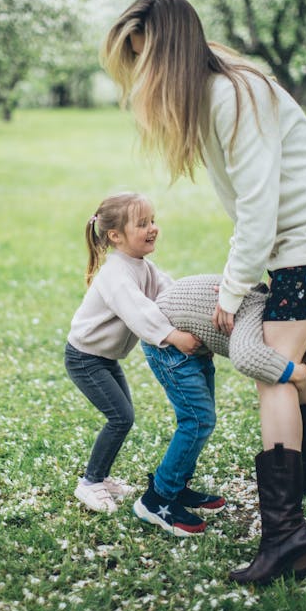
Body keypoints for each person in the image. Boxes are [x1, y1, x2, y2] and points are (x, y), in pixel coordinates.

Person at [101, 0, 306, 584]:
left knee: (269, 369)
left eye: (145, 59)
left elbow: (258, 208)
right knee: (283, 361)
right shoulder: (217, 85)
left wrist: (231, 289)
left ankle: (288, 537)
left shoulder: (231, 96)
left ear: (171, 52)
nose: (142, 74)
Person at [135, 276, 306, 535]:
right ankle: (157, 498)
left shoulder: (277, 313)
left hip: (195, 347)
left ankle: (176, 487)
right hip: (170, 343)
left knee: (202, 420)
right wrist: (295, 372)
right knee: (198, 421)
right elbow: (244, 357)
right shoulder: (257, 317)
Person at [65, 191, 214, 532]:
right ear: (115, 235)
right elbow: (140, 313)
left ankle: (101, 477)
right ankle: (90, 482)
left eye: (153, 220)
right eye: (143, 223)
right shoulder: (116, 273)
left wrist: (201, 304)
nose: (153, 228)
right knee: (121, 417)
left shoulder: (142, 266)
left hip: (104, 358)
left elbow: (168, 293)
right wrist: (175, 336)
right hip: (85, 358)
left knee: (123, 418)